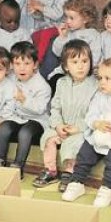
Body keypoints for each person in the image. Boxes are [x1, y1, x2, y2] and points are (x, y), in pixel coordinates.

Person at [62, 57, 111, 207]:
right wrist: (96, 123)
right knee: (85, 153)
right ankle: (77, 182)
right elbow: (90, 116)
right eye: (100, 78)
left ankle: (108, 188)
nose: (101, 82)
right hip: (97, 136)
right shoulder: (99, 97)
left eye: (107, 79)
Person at [34, 40, 97, 190]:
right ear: (66, 66)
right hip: (63, 125)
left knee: (73, 143)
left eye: (84, 61)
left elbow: (96, 114)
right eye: (75, 62)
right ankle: (50, 171)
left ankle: (69, 172)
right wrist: (58, 125)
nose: (81, 66)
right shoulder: (61, 83)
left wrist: (78, 128)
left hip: (82, 128)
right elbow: (55, 108)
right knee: (48, 137)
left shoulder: (95, 85)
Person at [0, 41, 51, 178]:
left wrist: (24, 99)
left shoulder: (43, 86)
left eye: (27, 64)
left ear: (35, 65)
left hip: (36, 120)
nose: (22, 69)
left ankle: (18, 166)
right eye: (17, 64)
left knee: (25, 133)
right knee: (3, 128)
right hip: (17, 117)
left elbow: (39, 109)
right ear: (12, 66)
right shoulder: (12, 78)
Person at [49, 0, 102, 76]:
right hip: (66, 70)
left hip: (83, 71)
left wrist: (83, 69)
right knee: (54, 79)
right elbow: (57, 53)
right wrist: (62, 37)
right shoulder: (68, 33)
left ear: (85, 19)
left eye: (71, 18)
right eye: (66, 17)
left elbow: (95, 57)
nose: (68, 21)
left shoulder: (93, 35)